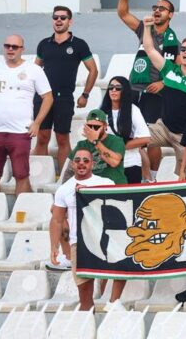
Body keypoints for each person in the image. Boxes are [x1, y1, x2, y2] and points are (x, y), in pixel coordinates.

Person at [67, 108, 128, 306]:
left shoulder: (116, 141)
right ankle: (95, 297)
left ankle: (114, 301)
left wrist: (95, 142)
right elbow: (72, 168)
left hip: (116, 201)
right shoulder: (81, 145)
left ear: (105, 127)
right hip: (91, 205)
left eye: (96, 126)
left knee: (118, 251)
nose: (92, 129)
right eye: (90, 126)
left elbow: (114, 161)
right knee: (94, 250)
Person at [117, 0, 180, 174]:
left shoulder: (174, 42)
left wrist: (163, 82)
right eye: (155, 7)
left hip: (155, 94)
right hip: (133, 90)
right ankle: (134, 172)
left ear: (170, 15)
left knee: (150, 137)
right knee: (128, 131)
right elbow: (123, 14)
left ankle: (152, 176)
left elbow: (179, 69)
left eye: (162, 8)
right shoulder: (144, 30)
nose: (157, 11)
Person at [141, 15, 186, 173]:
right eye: (183, 49)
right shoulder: (169, 70)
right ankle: (148, 179)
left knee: (185, 175)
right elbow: (149, 49)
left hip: (184, 136)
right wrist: (146, 27)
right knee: (132, 141)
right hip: (163, 128)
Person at [33, 6, 98, 171]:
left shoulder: (79, 44)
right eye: (56, 17)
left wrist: (85, 94)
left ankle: (64, 179)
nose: (59, 20)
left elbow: (93, 70)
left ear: (70, 21)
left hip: (64, 98)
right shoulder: (44, 44)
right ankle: (40, 176)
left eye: (63, 17)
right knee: (42, 137)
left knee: (62, 139)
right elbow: (34, 70)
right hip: (43, 98)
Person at [49, 147, 113, 311]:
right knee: (84, 292)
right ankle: (88, 322)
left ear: (92, 164)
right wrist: (54, 247)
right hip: (79, 243)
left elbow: (116, 208)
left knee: (111, 286)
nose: (81, 163)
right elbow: (56, 220)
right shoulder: (64, 189)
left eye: (86, 160)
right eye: (77, 160)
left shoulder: (106, 183)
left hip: (106, 241)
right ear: (72, 165)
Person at [0, 35, 53, 194]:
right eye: (7, 46)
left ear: (22, 49)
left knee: (21, 175)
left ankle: (23, 208)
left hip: (20, 132)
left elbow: (48, 97)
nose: (10, 49)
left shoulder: (33, 70)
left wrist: (37, 123)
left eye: (15, 47)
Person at [99, 77, 151, 184]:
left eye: (118, 88)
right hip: (106, 164)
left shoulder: (133, 110)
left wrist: (117, 148)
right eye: (111, 87)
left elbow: (145, 138)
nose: (113, 90)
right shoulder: (101, 111)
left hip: (130, 164)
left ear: (125, 91)